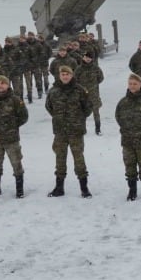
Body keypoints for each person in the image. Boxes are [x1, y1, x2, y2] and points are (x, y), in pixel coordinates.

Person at [44, 65, 93, 198]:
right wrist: (59, 118)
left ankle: (84, 188)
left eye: (67, 74)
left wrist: (78, 119)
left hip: (75, 131)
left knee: (79, 159)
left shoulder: (80, 90)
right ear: (59, 76)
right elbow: (49, 107)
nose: (65, 76)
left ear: (72, 75)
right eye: (63, 74)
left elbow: (88, 108)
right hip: (60, 131)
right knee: (60, 159)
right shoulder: (53, 91)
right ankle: (59, 188)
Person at [0, 74, 28, 198]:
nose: (0, 85)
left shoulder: (15, 100)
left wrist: (12, 126)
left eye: (3, 83)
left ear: (8, 85)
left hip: (11, 138)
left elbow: (23, 117)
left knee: (16, 163)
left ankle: (19, 189)